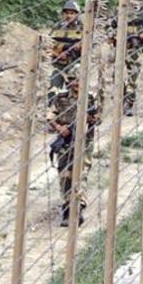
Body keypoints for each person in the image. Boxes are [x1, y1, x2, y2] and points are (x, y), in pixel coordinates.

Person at [47, 73, 101, 227]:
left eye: (78, 80)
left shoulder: (91, 98)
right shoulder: (61, 97)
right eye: (72, 80)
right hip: (66, 140)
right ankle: (66, 208)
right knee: (65, 174)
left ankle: (78, 207)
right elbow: (50, 116)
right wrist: (59, 127)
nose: (75, 83)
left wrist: (89, 119)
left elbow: (99, 117)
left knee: (81, 173)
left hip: (84, 141)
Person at [109, 8, 143, 115]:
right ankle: (121, 100)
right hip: (120, 49)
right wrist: (114, 36)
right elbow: (110, 28)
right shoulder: (119, 11)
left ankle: (129, 103)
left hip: (135, 50)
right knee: (117, 77)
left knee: (133, 78)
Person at [48, 0, 84, 107]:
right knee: (53, 90)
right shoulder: (58, 26)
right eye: (67, 13)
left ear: (77, 14)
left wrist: (78, 48)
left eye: (72, 13)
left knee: (74, 92)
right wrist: (59, 51)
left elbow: (88, 46)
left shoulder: (82, 27)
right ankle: (51, 115)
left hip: (75, 65)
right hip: (59, 64)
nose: (69, 15)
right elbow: (49, 43)